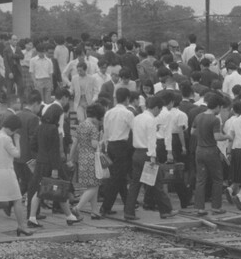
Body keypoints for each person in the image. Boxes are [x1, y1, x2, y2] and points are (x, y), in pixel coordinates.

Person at [27, 105, 81, 227]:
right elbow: (54, 152)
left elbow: (33, 145)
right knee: (60, 189)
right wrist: (55, 169)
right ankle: (69, 216)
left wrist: (40, 155)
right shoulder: (53, 129)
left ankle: (32, 217)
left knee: (40, 191)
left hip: (41, 163)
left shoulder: (40, 127)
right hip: (51, 165)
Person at [125, 96, 178, 220]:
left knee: (135, 184)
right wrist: (153, 157)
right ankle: (166, 210)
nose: (159, 113)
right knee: (157, 183)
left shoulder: (137, 118)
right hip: (147, 155)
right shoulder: (151, 120)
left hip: (137, 153)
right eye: (159, 110)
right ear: (155, 108)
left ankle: (129, 211)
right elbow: (151, 140)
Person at [192, 93, 229, 216]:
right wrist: (228, 136)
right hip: (211, 150)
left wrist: (202, 136)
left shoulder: (198, 116)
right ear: (217, 106)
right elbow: (217, 137)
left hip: (199, 150)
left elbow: (192, 132)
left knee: (200, 179)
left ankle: (199, 208)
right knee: (217, 179)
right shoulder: (215, 119)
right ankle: (216, 207)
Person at [100, 87, 134, 216]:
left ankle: (127, 203)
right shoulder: (128, 113)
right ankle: (105, 207)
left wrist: (106, 146)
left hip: (111, 146)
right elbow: (134, 129)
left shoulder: (109, 112)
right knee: (117, 178)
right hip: (122, 146)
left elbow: (106, 131)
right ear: (127, 99)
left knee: (119, 177)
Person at [72, 103, 106, 220]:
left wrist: (71, 158)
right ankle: (78, 208)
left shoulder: (81, 125)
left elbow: (75, 143)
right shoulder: (93, 128)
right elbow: (94, 145)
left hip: (82, 158)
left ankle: (94, 211)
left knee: (90, 186)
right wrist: (102, 141)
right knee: (95, 186)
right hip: (92, 159)